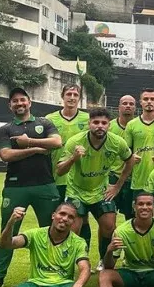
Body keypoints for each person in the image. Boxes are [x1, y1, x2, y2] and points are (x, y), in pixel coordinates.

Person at [0, 88, 63, 287]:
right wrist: (35, 149)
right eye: (15, 101)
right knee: (8, 230)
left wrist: (29, 141)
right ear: (10, 105)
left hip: (45, 184)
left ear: (29, 103)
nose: (19, 103)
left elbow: (56, 142)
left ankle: (54, 271)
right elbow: (6, 155)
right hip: (16, 187)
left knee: (52, 230)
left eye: (22, 100)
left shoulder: (44, 123)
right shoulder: (6, 129)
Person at [57, 108, 135, 265]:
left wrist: (117, 186)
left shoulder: (117, 142)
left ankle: (103, 261)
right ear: (89, 124)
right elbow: (59, 171)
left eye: (104, 123)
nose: (100, 126)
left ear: (109, 126)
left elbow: (130, 160)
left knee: (109, 225)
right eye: (96, 122)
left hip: (101, 191)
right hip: (76, 191)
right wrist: (73, 158)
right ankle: (73, 262)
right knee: (73, 227)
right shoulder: (75, 142)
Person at [45, 85, 89, 197]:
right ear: (62, 96)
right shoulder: (49, 118)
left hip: (79, 175)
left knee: (78, 213)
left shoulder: (88, 119)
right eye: (69, 94)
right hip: (55, 174)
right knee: (55, 212)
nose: (72, 97)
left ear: (79, 99)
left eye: (76, 95)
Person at [109, 95, 137, 220]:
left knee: (132, 218)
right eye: (125, 103)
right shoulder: (109, 127)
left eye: (131, 104)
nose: (128, 106)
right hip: (113, 176)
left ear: (135, 108)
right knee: (108, 218)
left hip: (133, 179)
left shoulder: (139, 126)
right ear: (119, 107)